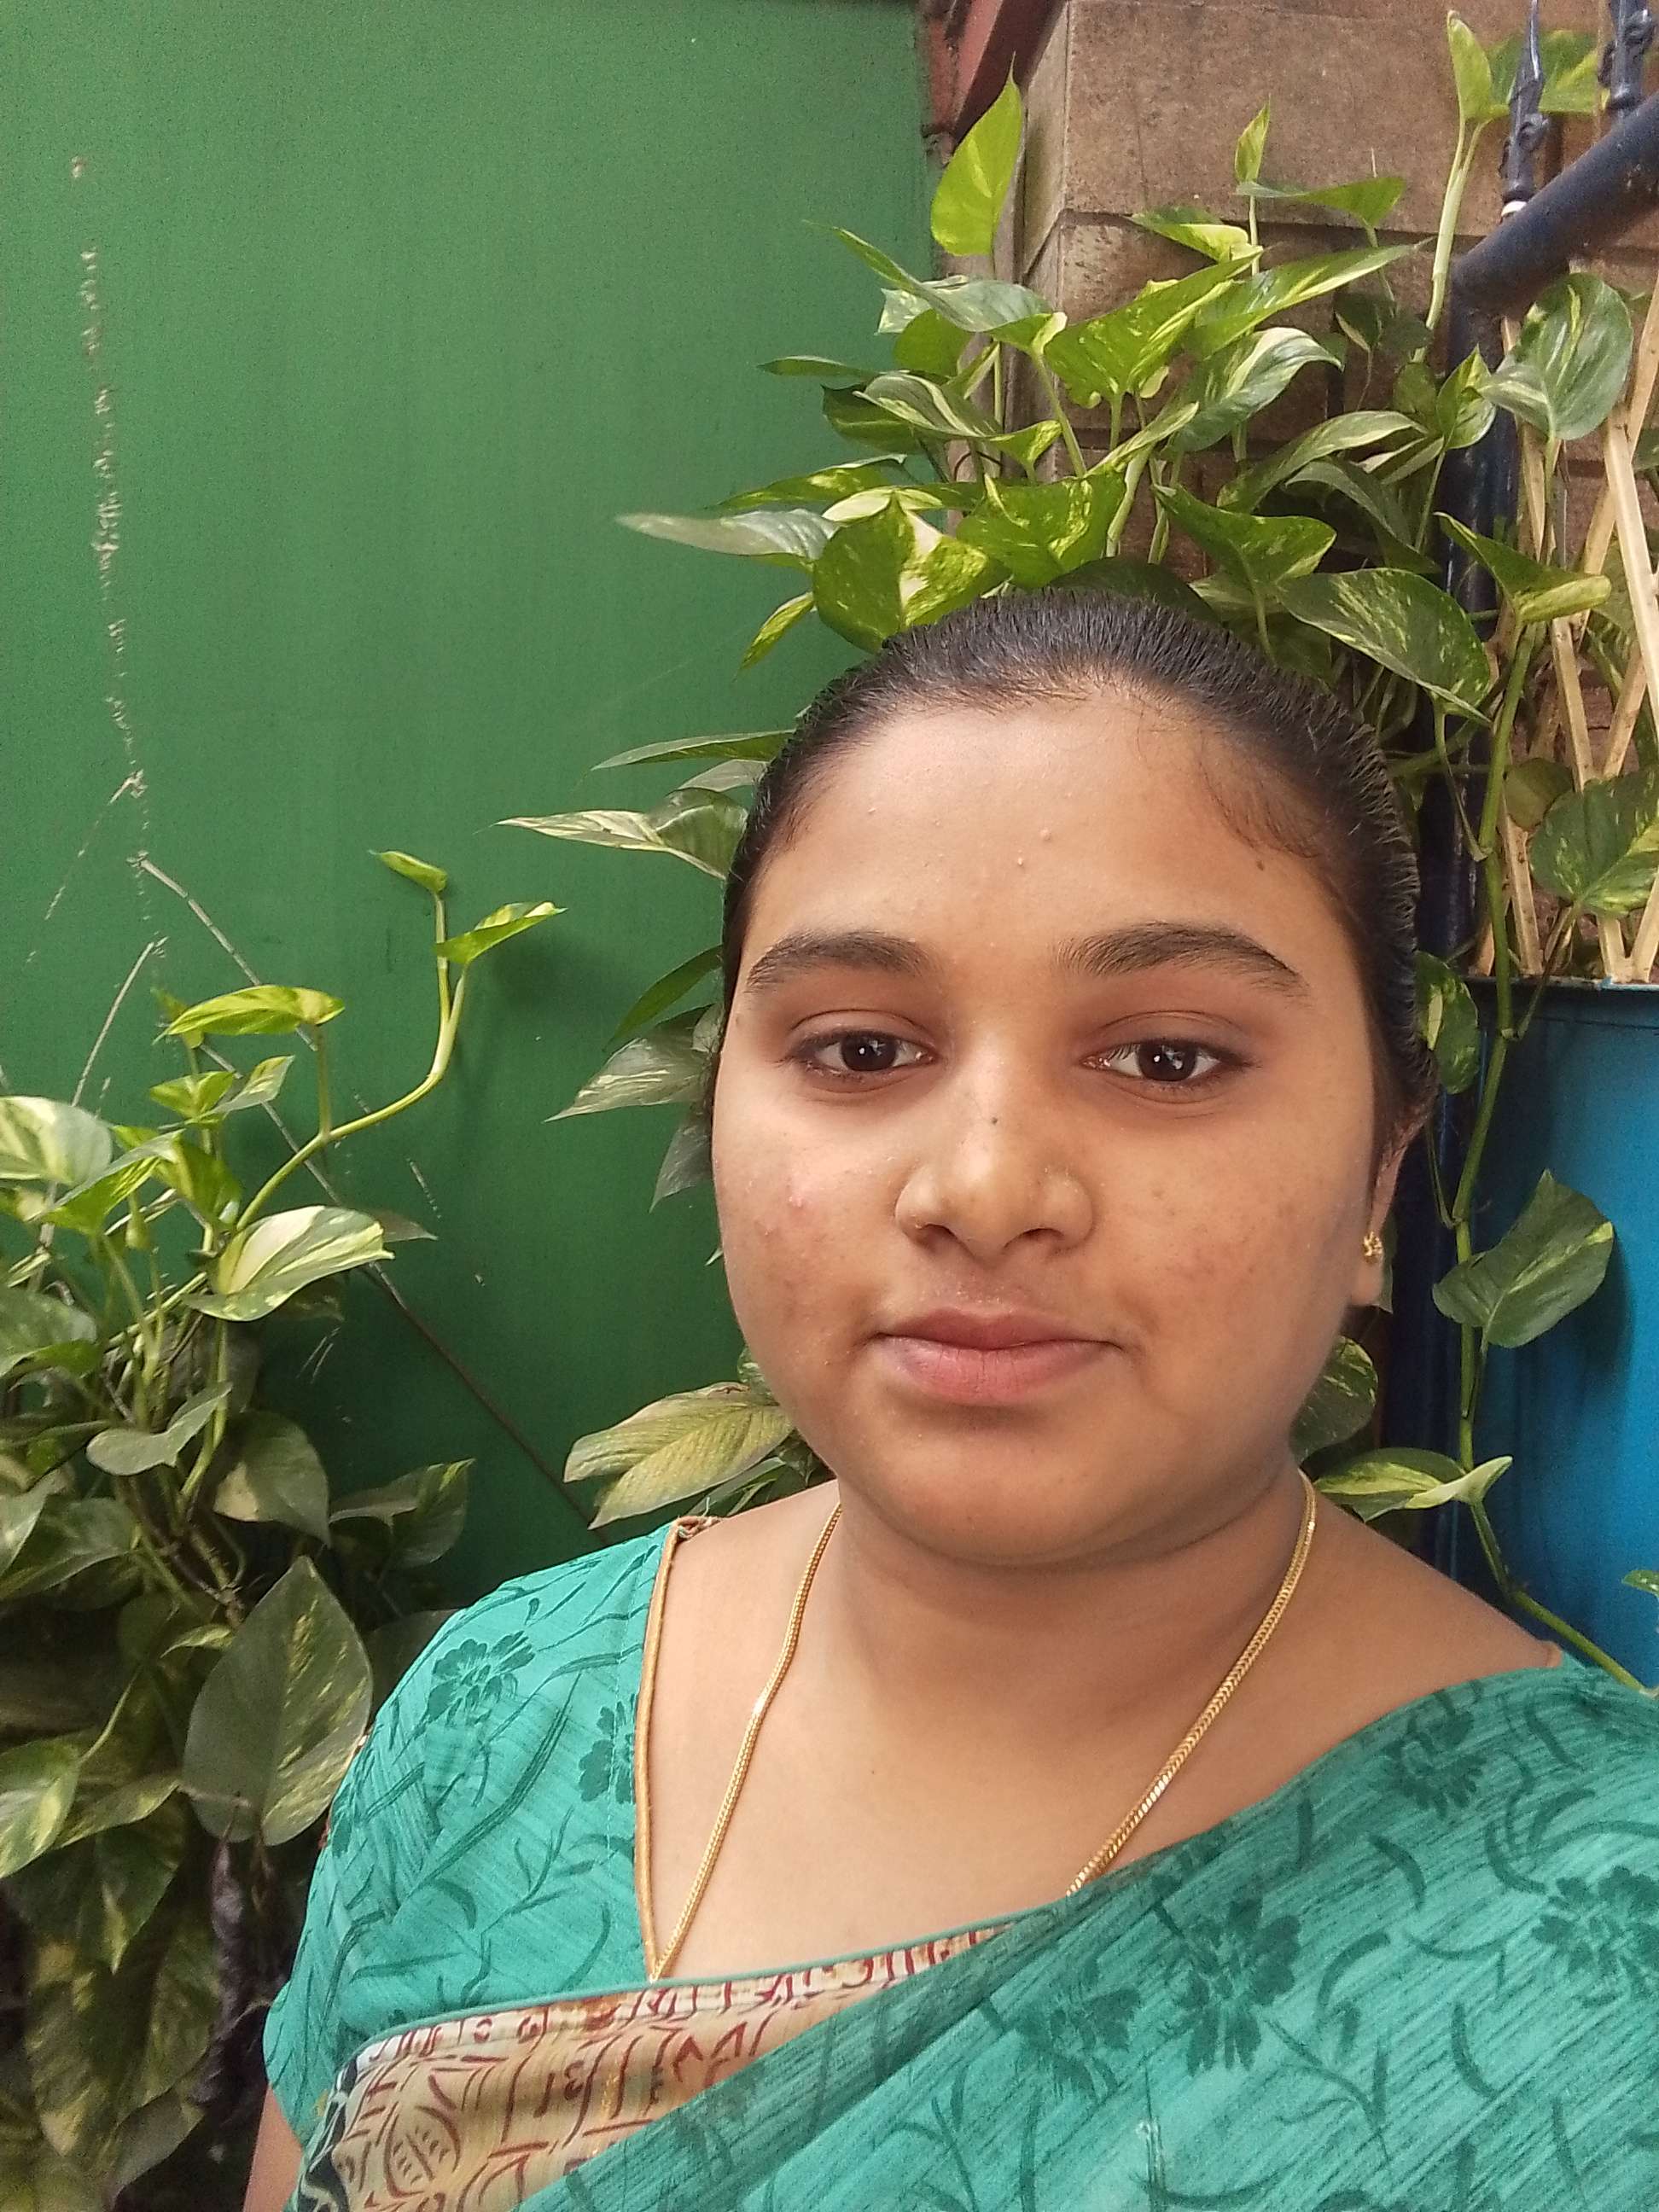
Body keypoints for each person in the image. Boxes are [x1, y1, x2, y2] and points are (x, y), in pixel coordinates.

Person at [243, 593, 1659, 2212]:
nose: (984, 1191)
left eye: (1168, 1060)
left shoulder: (1599, 1941)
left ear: (1383, 1170)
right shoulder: (497, 1713)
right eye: (860, 1050)